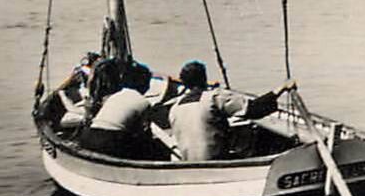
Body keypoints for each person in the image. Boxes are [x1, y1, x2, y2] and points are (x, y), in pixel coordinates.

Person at [157, 60, 294, 162]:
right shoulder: (214, 97)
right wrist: (281, 88)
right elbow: (254, 109)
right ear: (204, 78)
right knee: (262, 138)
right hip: (216, 161)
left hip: (190, 164)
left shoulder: (175, 108)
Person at [78, 60, 156, 159]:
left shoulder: (115, 96)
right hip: (111, 141)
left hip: (88, 136)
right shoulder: (143, 101)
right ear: (144, 84)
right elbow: (143, 132)